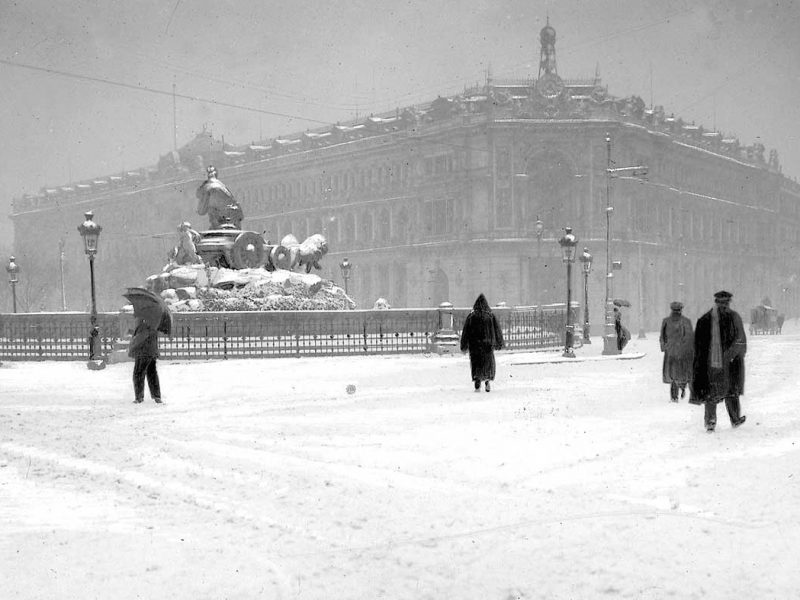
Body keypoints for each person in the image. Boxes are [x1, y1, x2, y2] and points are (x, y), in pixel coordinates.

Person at [692, 290, 747, 432]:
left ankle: (735, 419)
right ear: (716, 302)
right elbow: (698, 345)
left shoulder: (734, 318)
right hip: (712, 364)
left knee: (731, 391)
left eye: (726, 303)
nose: (724, 306)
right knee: (711, 393)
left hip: (731, 363)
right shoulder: (705, 320)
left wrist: (730, 355)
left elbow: (741, 340)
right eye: (721, 303)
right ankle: (710, 422)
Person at [460, 294, 504, 392]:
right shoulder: (490, 316)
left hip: (475, 345)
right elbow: (497, 330)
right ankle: (487, 381)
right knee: (487, 364)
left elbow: (466, 331)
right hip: (487, 345)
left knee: (476, 364)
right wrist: (499, 343)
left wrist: (464, 345)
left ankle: (477, 380)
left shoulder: (471, 316)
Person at [659, 301, 694, 402]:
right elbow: (689, 337)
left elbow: (662, 336)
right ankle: (678, 392)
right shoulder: (685, 321)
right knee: (679, 374)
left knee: (674, 375)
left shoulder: (668, 321)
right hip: (678, 352)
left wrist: (665, 346)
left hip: (674, 351)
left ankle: (677, 393)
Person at [129, 317, 162, 404]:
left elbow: (141, 337)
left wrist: (132, 342)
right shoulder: (154, 320)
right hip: (151, 351)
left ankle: (139, 397)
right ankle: (156, 395)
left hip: (143, 351)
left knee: (138, 373)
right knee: (152, 373)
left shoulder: (144, 322)